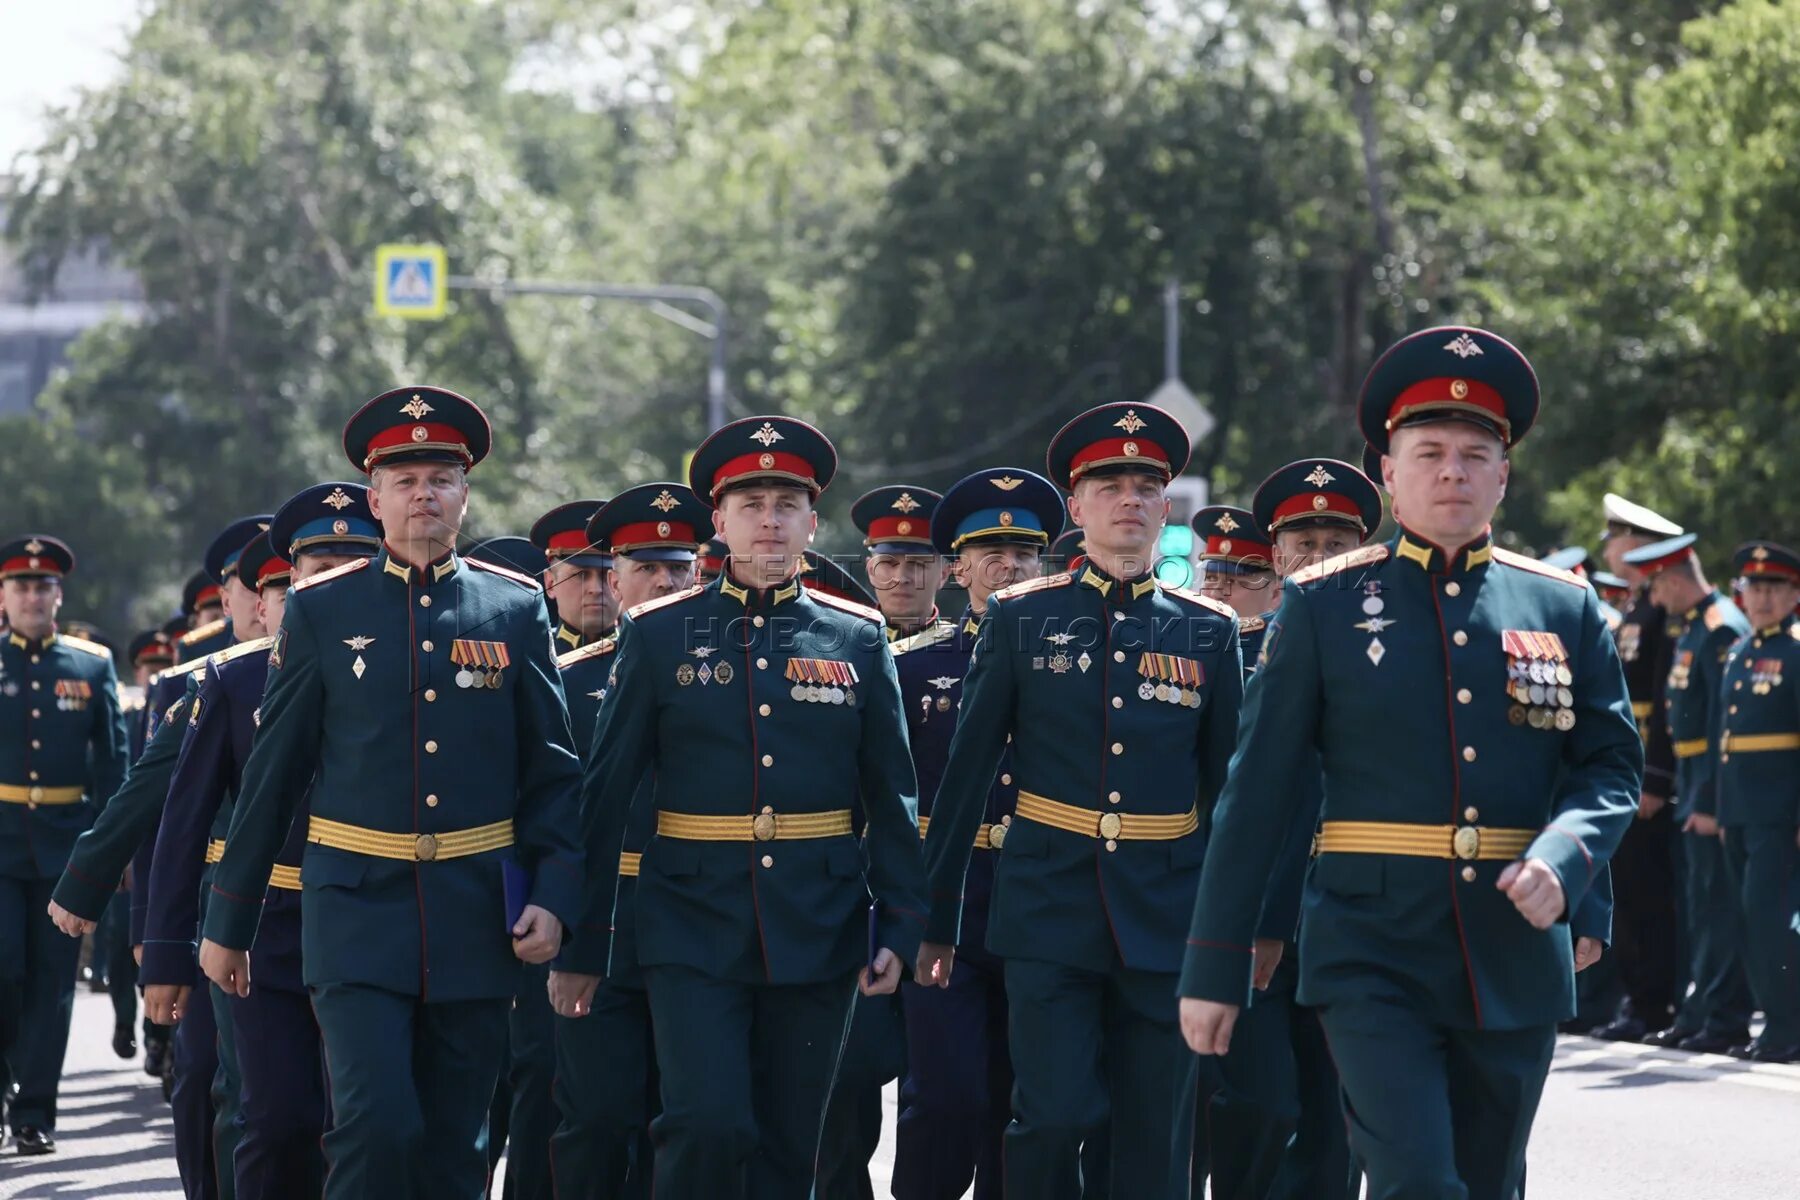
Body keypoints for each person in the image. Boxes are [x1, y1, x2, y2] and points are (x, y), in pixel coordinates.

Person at [1180, 325, 1641, 1200]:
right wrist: (1213, 967)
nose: (1453, 472)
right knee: (1418, 1181)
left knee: (1488, 1182)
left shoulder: (1564, 606)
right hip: (1369, 948)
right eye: (1428, 452)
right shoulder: (1322, 603)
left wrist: (1566, 859)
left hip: (1511, 948)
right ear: (1389, 472)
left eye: (1475, 455)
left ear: (1504, 474)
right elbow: (1258, 796)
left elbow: (1609, 767)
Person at [198, 386, 584, 1199]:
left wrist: (553, 893)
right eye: (404, 481)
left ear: (465, 493)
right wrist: (228, 922)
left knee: (456, 1144)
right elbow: (273, 777)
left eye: (441, 478)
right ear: (375, 500)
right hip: (353, 911)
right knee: (375, 1127)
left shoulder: (512, 609)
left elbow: (550, 770)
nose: (424, 495)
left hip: (475, 913)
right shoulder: (320, 610)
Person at [551, 414, 927, 1200]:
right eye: (751, 504)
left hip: (817, 918)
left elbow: (888, 794)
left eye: (786, 505)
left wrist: (897, 924)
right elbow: (605, 794)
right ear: (717, 522)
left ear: (811, 522)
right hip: (689, 918)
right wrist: (583, 941)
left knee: (792, 1147)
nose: (769, 519)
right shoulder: (657, 634)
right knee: (704, 1125)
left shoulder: (855, 639)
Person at [918, 403, 1243, 1200]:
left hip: (1165, 910)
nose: (1129, 499)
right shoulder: (1024, 617)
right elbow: (966, 776)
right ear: (1078, 505)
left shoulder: (1209, 630)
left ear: (1165, 507)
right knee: (1053, 1115)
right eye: (1110, 484)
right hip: (1047, 904)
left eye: (1146, 486)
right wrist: (936, 919)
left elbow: (1229, 791)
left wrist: (1233, 927)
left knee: (1151, 1134)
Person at [149, 484, 383, 1197]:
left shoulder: (420, 673)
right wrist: (164, 950)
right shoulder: (237, 679)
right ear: (286, 583)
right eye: (319, 565)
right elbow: (182, 824)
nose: (339, 576)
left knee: (367, 1125)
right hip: (265, 932)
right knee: (275, 1117)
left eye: (356, 559)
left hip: (380, 923)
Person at [890, 466, 1063, 1200]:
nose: (1009, 565)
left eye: (1024, 552)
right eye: (990, 552)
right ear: (956, 567)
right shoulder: (909, 665)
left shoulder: (1069, 664)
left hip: (1043, 901)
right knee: (944, 1095)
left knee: (1023, 1102)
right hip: (947, 905)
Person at [551, 482, 703, 1199]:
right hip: (599, 919)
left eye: (679, 568)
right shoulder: (565, 682)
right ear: (615, 581)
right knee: (595, 1118)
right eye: (647, 569)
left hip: (698, 917)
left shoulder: (722, 671)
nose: (665, 581)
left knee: (682, 1119)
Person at [817, 487, 938, 1200]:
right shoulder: (840, 645)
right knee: (844, 1087)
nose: (902, 576)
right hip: (843, 890)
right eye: (889, 561)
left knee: (942, 1087)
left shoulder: (972, 654)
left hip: (941, 892)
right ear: (869, 563)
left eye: (918, 561)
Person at [0, 535, 128, 1155]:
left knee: (53, 985)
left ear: (58, 595)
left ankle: (34, 1113)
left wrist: (113, 850)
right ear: (3, 596)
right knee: (4, 971)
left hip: (64, 850)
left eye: (42, 586)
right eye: (20, 586)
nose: (31, 595)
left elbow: (113, 766)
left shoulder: (90, 665)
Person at [1622, 531, 1755, 1054]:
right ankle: (1703, 1010)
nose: (1656, 599)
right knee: (1698, 906)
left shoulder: (1721, 630)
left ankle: (1723, 1015)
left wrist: (1709, 799)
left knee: (1718, 907)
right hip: (1693, 777)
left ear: (1675, 579)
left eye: (1659, 587)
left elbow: (1727, 726)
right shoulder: (1696, 628)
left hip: (1711, 783)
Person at [1593, 495, 1687, 1043]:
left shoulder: (1659, 609)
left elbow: (1661, 700)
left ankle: (1655, 1002)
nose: (1610, 548)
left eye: (1616, 538)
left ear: (1638, 543)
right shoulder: (1637, 605)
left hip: (1646, 777)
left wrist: (1654, 779)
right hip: (1627, 769)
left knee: (1651, 897)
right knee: (1630, 892)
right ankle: (1639, 999)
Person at [1716, 540, 1800, 1063]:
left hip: (1778, 811)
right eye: (1755, 588)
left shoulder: (1795, 652)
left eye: (1774, 588)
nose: (1763, 598)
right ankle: (1774, 1023)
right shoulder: (1741, 652)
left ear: (1795, 593)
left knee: (1771, 920)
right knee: (1748, 919)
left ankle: (1787, 1027)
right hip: (1740, 811)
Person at [532, 500, 616, 654]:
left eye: (606, 575)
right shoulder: (532, 658)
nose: (596, 589)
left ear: (618, 582)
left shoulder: (646, 657)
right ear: (550, 583)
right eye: (581, 575)